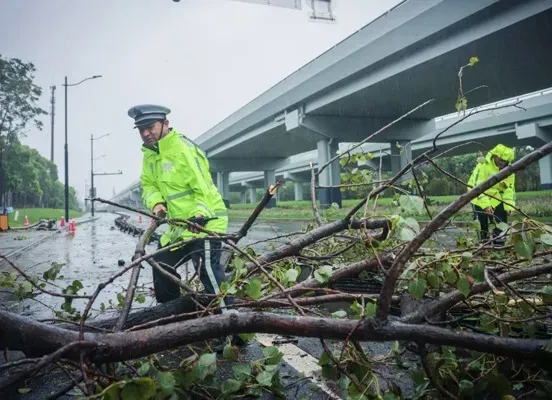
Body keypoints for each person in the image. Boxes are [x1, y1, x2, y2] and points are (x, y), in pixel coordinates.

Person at [128, 104, 233, 310]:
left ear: (165, 124)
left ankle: (233, 323)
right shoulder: (149, 154)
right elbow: (148, 186)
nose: (146, 133)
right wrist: (157, 203)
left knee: (207, 272)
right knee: (160, 264)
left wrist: (200, 213)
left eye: (150, 127)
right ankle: (174, 314)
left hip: (205, 222)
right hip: (180, 228)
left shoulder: (183, 148)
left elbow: (202, 186)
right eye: (141, 130)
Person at [467, 143, 516, 243]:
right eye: (501, 160)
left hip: (495, 197)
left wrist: (509, 206)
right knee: (482, 224)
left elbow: (509, 189)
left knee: (500, 221)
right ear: (495, 156)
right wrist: (485, 205)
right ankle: (482, 244)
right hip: (477, 197)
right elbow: (477, 187)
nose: (503, 163)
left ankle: (499, 243)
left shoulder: (509, 170)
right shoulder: (483, 166)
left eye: (505, 162)